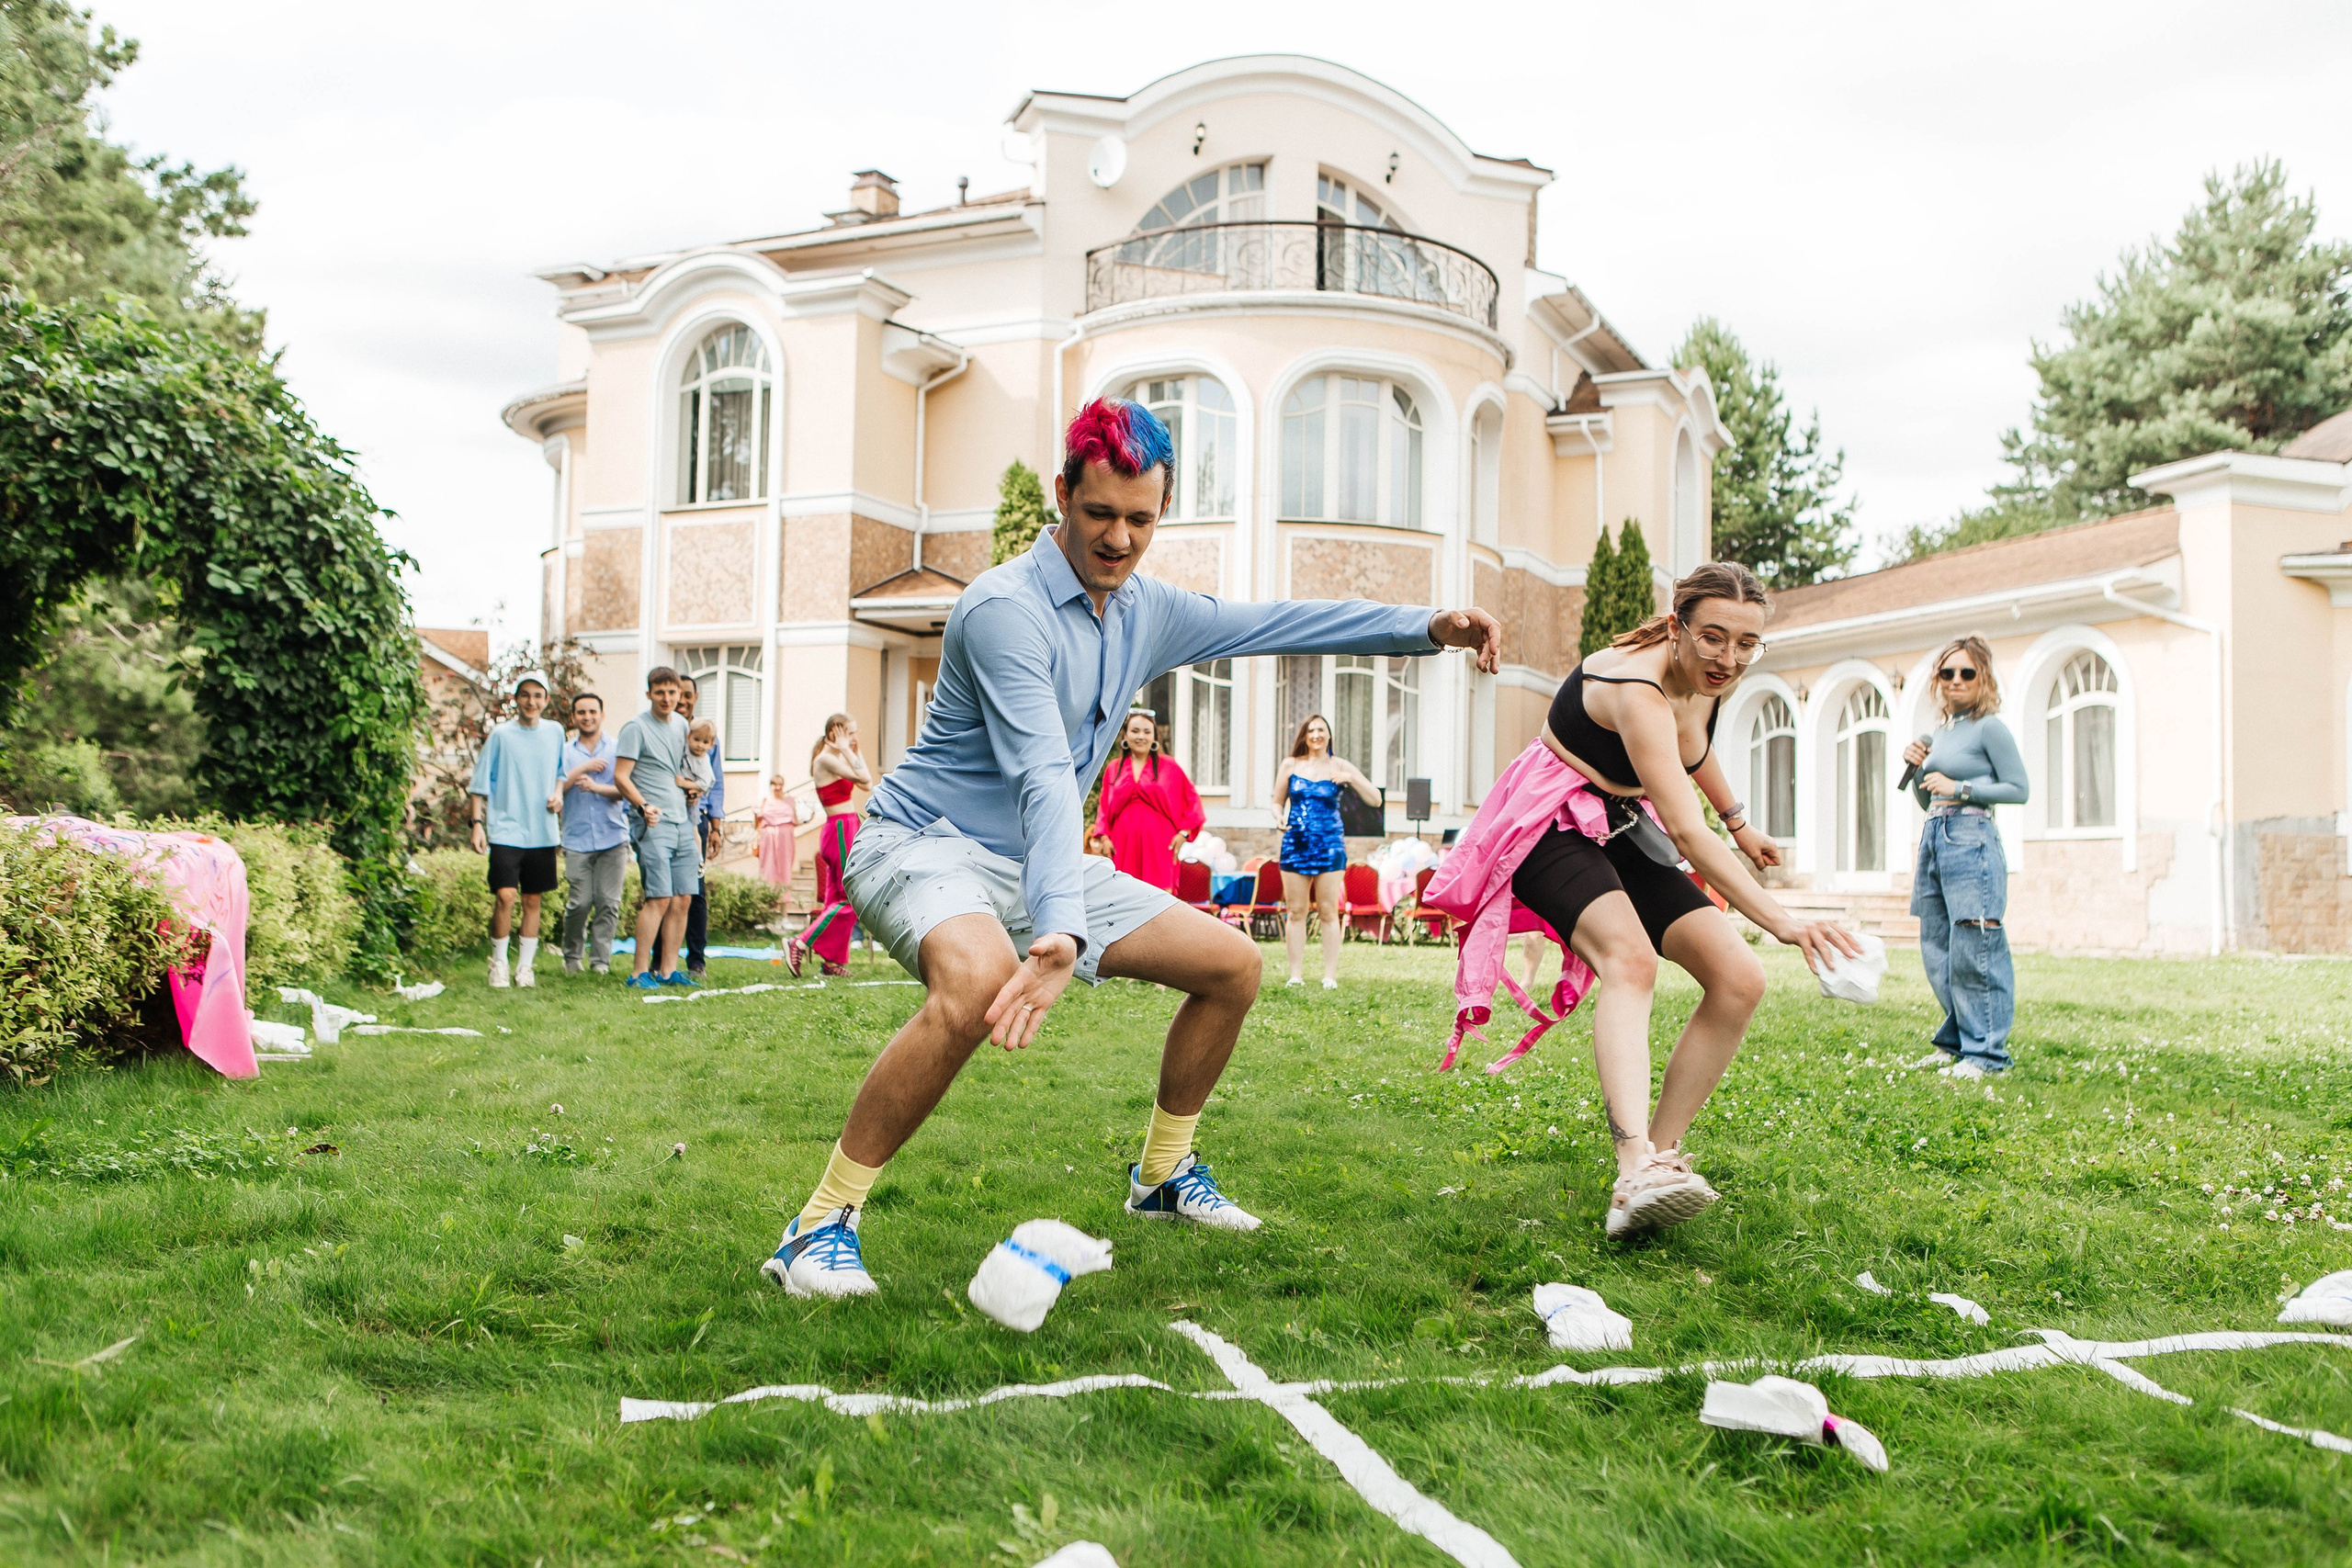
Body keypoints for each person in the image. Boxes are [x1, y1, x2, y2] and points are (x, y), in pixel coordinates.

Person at [761, 397, 1500, 1299]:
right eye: (1100, 513)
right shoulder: (1004, 610)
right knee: (977, 982)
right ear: (1064, 495)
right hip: (925, 846)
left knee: (1231, 967)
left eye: (1140, 519)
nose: (1118, 538)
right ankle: (820, 1224)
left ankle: (1161, 1176)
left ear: (1161, 513)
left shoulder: (1148, 608)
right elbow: (1040, 773)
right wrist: (1062, 930)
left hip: (1039, 864)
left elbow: (1278, 622)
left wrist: (1427, 629)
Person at [1430, 563, 1860, 1241]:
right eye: (1714, 638)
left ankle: (1655, 1163)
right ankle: (1633, 1164)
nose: (1728, 658)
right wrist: (1783, 920)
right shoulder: (1635, 687)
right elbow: (1688, 830)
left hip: (1621, 820)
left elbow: (1694, 747)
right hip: (1551, 820)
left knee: (1739, 980)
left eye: (1747, 644)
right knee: (1629, 960)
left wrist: (1741, 821)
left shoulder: (1706, 678)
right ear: (1677, 624)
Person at [1902, 635, 2028, 1079]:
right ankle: (1955, 1043)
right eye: (1947, 673)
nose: (1956, 681)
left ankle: (1986, 1054)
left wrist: (1961, 788)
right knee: (1938, 945)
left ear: (1983, 678)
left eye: (1966, 673)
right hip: (1935, 833)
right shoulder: (1937, 734)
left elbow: (2019, 789)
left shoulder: (1989, 727)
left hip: (1971, 835)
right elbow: (1925, 800)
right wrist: (1918, 769)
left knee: (1976, 941)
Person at [468, 671, 565, 988]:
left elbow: (561, 773)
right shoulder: (501, 735)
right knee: (506, 896)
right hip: (506, 829)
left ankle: (525, 968)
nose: (531, 701)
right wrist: (477, 825)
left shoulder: (555, 732)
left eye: (538, 696)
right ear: (515, 699)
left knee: (532, 901)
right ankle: (499, 963)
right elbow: (479, 784)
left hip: (542, 830)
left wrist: (559, 793)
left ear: (546, 701)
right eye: (525, 695)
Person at [1273, 716, 1382, 989]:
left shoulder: (1340, 765)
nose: (1316, 734)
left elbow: (1375, 799)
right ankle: (1295, 975)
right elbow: (1276, 802)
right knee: (1296, 910)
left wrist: (1350, 778)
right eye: (1311, 730)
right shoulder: (1291, 764)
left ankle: (1329, 976)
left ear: (1329, 735)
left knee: (1327, 910)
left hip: (1330, 843)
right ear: (1304, 735)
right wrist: (1277, 817)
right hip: (1295, 842)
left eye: (1321, 729)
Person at [614, 666, 701, 989]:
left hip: (682, 819)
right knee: (659, 898)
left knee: (683, 899)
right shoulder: (635, 728)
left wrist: (693, 786)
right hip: (652, 822)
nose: (666, 698)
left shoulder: (681, 724)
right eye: (659, 692)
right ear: (649, 693)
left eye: (672, 692)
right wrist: (642, 805)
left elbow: (675, 771)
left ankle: (667, 971)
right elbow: (621, 776)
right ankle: (638, 974)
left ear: (680, 695)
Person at [785, 713, 873, 978]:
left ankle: (831, 961)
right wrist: (847, 750)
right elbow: (865, 778)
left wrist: (851, 750)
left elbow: (866, 783)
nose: (855, 737)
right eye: (850, 732)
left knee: (836, 899)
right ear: (836, 732)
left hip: (845, 826)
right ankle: (798, 942)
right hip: (839, 829)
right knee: (847, 897)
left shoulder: (836, 758)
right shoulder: (825, 758)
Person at [656, 676, 725, 980]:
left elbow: (716, 781)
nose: (680, 699)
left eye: (685, 694)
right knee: (661, 889)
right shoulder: (668, 731)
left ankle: (696, 959)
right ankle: (660, 959)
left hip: (697, 817)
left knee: (694, 892)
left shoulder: (706, 733)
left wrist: (715, 826)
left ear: (694, 696)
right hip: (666, 814)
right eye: (675, 694)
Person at [555, 692, 628, 975]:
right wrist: (582, 768)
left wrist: (597, 787)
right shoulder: (563, 751)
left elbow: (627, 789)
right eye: (581, 712)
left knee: (608, 902)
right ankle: (572, 957)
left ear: (602, 714)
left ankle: (600, 962)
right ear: (573, 717)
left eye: (592, 712)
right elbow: (556, 789)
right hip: (576, 838)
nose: (587, 717)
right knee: (580, 902)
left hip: (613, 837)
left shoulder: (617, 748)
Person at [1091, 709, 1204, 892]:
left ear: (1154, 737)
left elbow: (1192, 800)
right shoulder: (1113, 768)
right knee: (1124, 896)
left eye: (1146, 732)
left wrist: (1183, 835)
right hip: (1122, 846)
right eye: (1135, 731)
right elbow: (1104, 807)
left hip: (1160, 846)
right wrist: (1104, 838)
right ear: (1125, 735)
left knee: (1159, 900)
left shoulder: (1170, 767)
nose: (1141, 736)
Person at [756, 774, 800, 897]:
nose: (778, 787)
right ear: (770, 786)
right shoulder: (766, 800)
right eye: (775, 784)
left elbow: (795, 820)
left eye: (780, 784)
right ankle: (768, 903)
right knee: (768, 870)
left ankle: (784, 909)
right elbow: (759, 822)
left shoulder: (790, 800)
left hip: (785, 838)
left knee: (785, 870)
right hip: (768, 838)